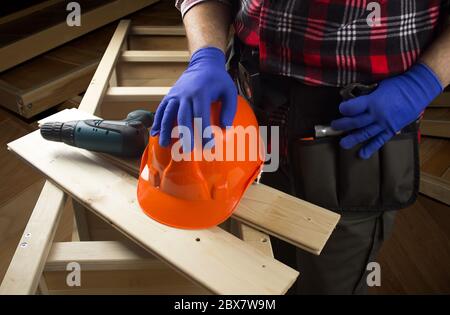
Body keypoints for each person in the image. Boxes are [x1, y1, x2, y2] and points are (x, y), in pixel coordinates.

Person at [151, 0, 450, 294]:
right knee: (260, 267)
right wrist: (205, 56)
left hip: (356, 142)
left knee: (330, 281)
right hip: (251, 125)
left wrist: (424, 81)